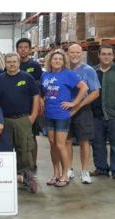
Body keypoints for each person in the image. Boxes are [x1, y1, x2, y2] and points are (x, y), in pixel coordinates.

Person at [40, 49, 88, 187]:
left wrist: (74, 103)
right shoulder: (45, 75)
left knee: (60, 145)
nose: (57, 61)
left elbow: (84, 87)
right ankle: (56, 173)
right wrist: (43, 102)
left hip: (62, 115)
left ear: (63, 61)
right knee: (52, 144)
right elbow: (43, 92)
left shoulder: (68, 74)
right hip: (49, 114)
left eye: (60, 59)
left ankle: (65, 175)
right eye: (55, 59)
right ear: (50, 60)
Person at [0, 52, 39, 190]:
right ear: (5, 63)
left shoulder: (27, 77)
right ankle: (7, 178)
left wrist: (33, 116)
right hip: (5, 120)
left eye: (14, 61)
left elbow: (36, 97)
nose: (12, 64)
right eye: (9, 62)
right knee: (6, 149)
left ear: (19, 62)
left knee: (24, 149)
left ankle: (27, 177)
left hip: (23, 119)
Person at [66, 44, 100, 184]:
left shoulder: (89, 70)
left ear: (82, 54)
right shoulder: (63, 69)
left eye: (77, 52)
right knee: (67, 141)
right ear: (67, 53)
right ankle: (68, 169)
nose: (74, 55)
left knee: (84, 141)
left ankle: (85, 171)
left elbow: (95, 92)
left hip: (83, 110)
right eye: (72, 52)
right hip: (65, 110)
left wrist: (78, 106)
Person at [16, 38, 43, 170]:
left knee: (31, 137)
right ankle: (18, 163)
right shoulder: (13, 64)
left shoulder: (35, 66)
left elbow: (38, 88)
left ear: (30, 49)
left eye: (26, 47)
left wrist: (37, 107)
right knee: (17, 138)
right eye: (20, 47)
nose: (23, 49)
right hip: (16, 107)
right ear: (17, 49)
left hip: (30, 106)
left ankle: (33, 163)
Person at [91, 45, 115, 179]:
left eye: (109, 54)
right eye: (104, 54)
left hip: (113, 115)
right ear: (99, 56)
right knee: (97, 144)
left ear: (113, 56)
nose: (106, 56)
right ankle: (101, 169)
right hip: (96, 115)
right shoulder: (93, 72)